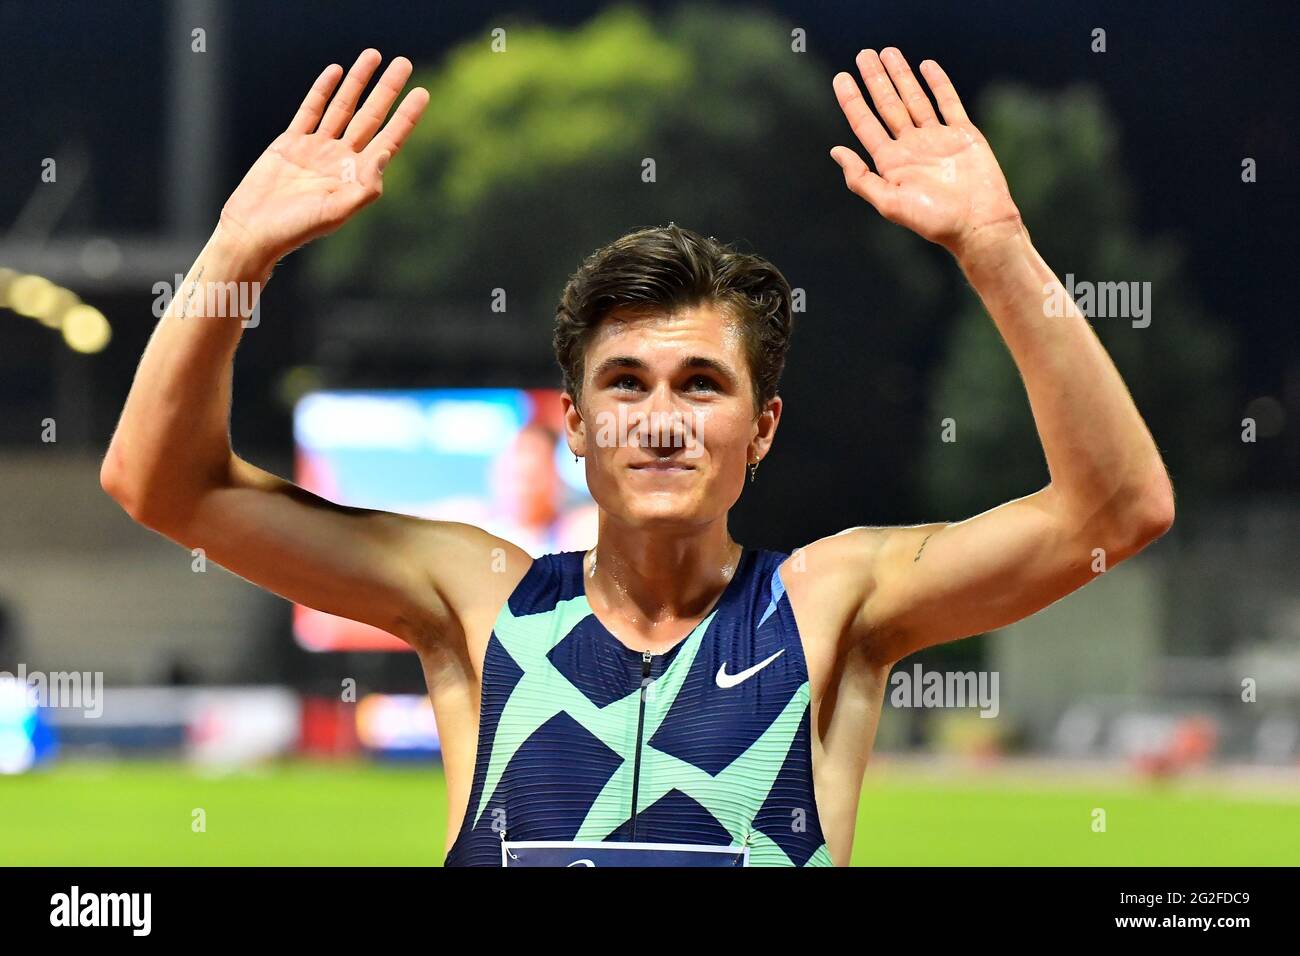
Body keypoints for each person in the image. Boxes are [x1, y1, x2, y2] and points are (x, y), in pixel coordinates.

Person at [101, 48, 1174, 866]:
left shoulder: (831, 603)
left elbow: (1115, 509)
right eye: (625, 382)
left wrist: (996, 250)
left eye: (702, 384)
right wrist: (235, 253)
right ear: (574, 424)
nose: (661, 417)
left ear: (761, 428)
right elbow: (161, 483)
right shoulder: (476, 602)